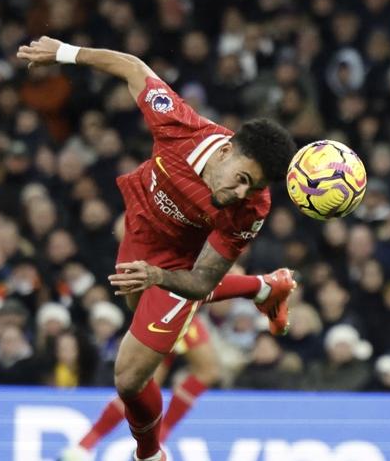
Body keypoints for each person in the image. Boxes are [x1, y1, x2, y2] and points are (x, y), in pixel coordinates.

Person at [19, 36, 298, 461]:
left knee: (130, 377)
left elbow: (204, 278)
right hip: (140, 228)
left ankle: (149, 454)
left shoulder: (251, 208)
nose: (243, 192)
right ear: (225, 151)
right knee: (144, 329)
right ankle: (263, 288)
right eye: (242, 177)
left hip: (179, 261)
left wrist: (159, 276)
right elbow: (133, 67)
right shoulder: (180, 128)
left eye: (253, 187)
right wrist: (65, 53)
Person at [59, 318, 219, 460]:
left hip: (170, 305)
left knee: (143, 383)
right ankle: (156, 445)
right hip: (178, 304)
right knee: (207, 370)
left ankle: (82, 447)